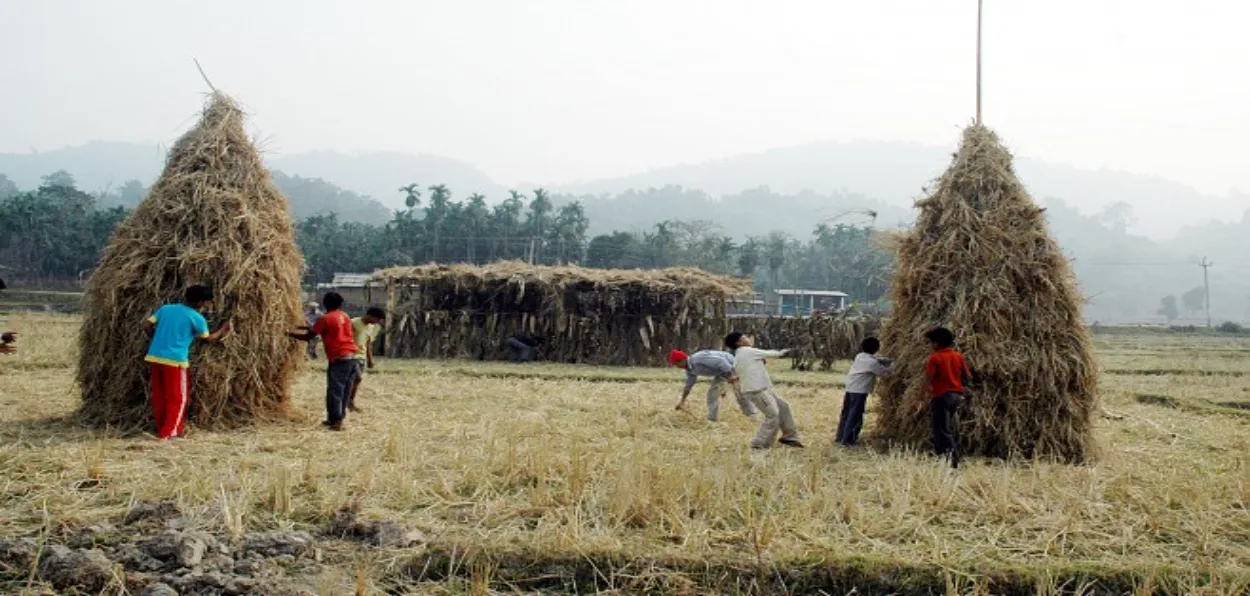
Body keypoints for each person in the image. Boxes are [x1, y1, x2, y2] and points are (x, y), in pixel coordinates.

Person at [142, 285, 232, 439]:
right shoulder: (197, 318)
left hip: (155, 357)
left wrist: (155, 338)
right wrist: (223, 329)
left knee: (159, 395)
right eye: (207, 302)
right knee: (178, 398)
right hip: (175, 361)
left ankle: (162, 427)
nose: (208, 305)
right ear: (200, 302)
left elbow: (147, 325)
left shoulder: (166, 309)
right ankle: (170, 433)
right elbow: (208, 338)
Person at [289, 292, 360, 431]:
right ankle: (337, 418)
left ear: (325, 303)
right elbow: (320, 328)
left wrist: (288, 333)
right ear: (340, 304)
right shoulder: (344, 315)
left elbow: (308, 337)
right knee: (345, 389)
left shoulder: (325, 318)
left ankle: (336, 421)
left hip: (339, 357)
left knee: (335, 390)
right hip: (352, 355)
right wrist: (301, 327)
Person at [724, 331, 804, 449]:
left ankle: (790, 436)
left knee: (783, 406)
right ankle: (759, 443)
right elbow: (772, 354)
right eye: (745, 337)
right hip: (756, 390)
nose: (748, 338)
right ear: (739, 342)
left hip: (762, 388)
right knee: (773, 415)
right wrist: (787, 351)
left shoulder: (741, 354)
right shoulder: (747, 351)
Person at [924, 327, 971, 467]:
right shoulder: (958, 356)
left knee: (941, 429)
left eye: (931, 342)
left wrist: (921, 397)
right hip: (956, 396)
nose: (930, 346)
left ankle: (954, 460)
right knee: (944, 427)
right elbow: (968, 376)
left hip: (942, 396)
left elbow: (928, 379)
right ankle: (942, 456)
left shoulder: (935, 357)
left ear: (936, 343)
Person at [668, 349, 758, 421]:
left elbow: (721, 361)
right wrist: (682, 401)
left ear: (681, 360)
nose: (677, 366)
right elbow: (688, 385)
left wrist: (731, 375)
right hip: (721, 372)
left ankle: (752, 415)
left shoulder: (698, 358)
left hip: (732, 366)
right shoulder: (690, 369)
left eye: (676, 364)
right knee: (712, 395)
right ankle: (712, 419)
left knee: (739, 393)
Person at [835, 337, 892, 446]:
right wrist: (896, 365)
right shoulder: (871, 363)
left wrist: (886, 360)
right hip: (859, 391)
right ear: (876, 348)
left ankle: (840, 437)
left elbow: (877, 360)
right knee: (855, 416)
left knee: (846, 414)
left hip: (851, 388)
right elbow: (886, 373)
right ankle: (848, 441)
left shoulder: (860, 356)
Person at [346, 307, 386, 413]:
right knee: (356, 379)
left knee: (356, 381)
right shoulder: (353, 322)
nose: (377, 323)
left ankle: (350, 402)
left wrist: (370, 359)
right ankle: (347, 403)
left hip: (362, 357)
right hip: (352, 356)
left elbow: (369, 343)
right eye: (377, 320)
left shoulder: (370, 327)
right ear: (370, 316)